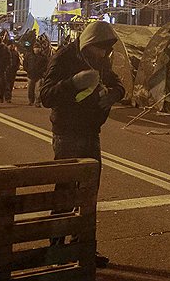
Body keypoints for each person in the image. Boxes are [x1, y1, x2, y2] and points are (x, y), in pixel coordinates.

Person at [39, 21, 124, 269]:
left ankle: (84, 247)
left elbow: (117, 83)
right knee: (65, 192)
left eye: (107, 51)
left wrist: (113, 95)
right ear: (89, 44)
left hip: (91, 132)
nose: (103, 56)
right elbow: (46, 95)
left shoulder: (101, 61)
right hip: (67, 134)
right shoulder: (64, 57)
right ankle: (56, 249)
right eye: (100, 50)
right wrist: (73, 83)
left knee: (88, 193)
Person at [24, 41, 48, 107]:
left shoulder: (43, 57)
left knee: (38, 90)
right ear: (33, 48)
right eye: (35, 48)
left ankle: (37, 102)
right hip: (30, 75)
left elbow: (46, 65)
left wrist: (42, 72)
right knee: (30, 89)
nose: (37, 49)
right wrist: (27, 70)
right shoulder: (29, 55)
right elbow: (25, 63)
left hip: (39, 76)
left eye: (38, 48)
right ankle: (31, 101)